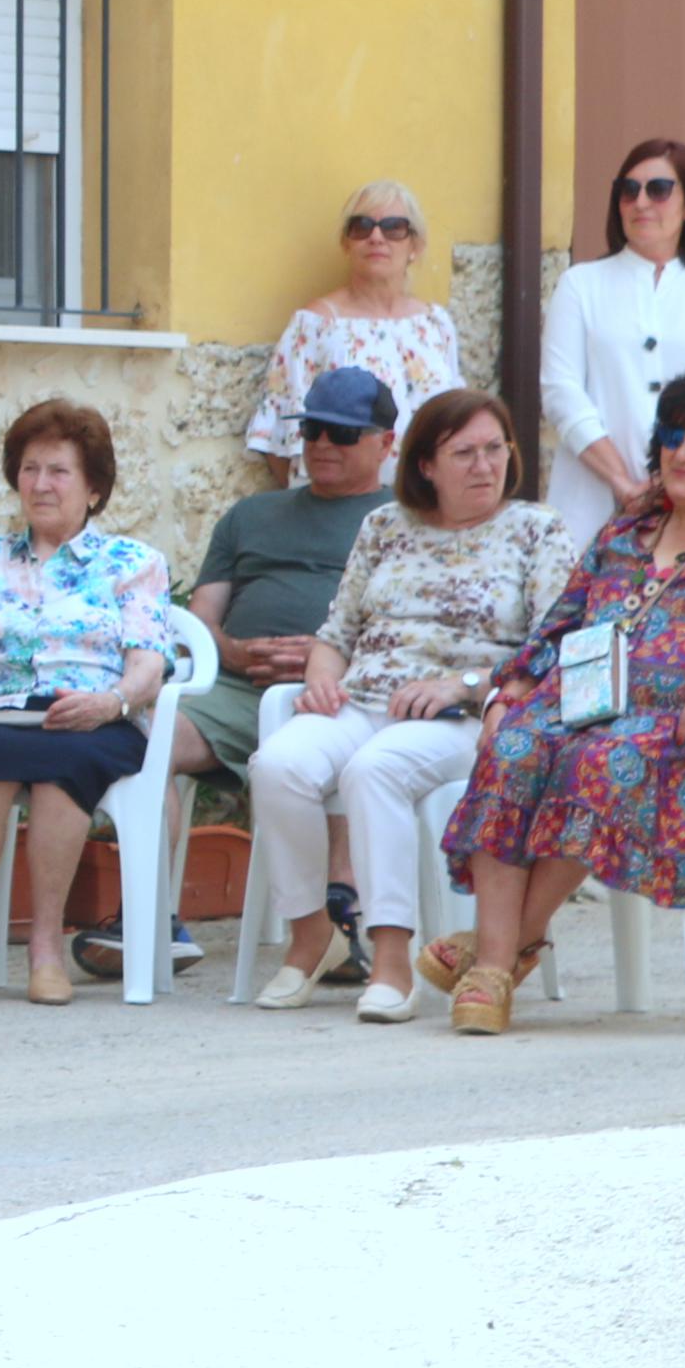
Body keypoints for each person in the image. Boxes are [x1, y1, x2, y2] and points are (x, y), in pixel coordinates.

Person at [434, 365, 685, 1034]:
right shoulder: (622, 537)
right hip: (583, 708)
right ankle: (502, 958)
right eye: (672, 436)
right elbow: (554, 628)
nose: (680, 452)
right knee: (511, 745)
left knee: (592, 758)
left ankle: (490, 963)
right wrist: (509, 690)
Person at [244, 389, 576, 1020]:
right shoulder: (384, 526)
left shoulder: (538, 529)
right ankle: (310, 934)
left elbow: (552, 645)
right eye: (464, 453)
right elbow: (338, 632)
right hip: (364, 699)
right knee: (278, 765)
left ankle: (390, 956)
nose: (484, 466)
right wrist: (320, 677)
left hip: (467, 716)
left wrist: (469, 686)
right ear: (426, 464)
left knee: (376, 771)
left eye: (494, 450)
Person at [0, 399, 172, 1007]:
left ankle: (46, 948)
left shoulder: (132, 563)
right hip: (2, 715)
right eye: (29, 469)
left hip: (96, 719)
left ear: (94, 489)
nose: (40, 484)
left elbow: (150, 662)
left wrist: (111, 702)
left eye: (58, 471)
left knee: (63, 765)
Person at [146, 366, 402, 984]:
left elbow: (411, 623)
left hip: (345, 687)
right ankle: (148, 917)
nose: (320, 445)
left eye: (342, 434)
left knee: (344, 742)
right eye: (312, 429)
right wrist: (231, 652)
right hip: (236, 689)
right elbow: (200, 616)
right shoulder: (251, 515)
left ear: (385, 444)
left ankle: (341, 909)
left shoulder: (403, 518)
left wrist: (328, 654)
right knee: (146, 739)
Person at [541, 136, 685, 544]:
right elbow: (560, 391)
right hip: (590, 506)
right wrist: (624, 481)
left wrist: (683, 478)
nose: (641, 202)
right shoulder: (579, 286)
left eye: (658, 190)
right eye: (628, 191)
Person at [242, 179, 462, 464]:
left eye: (394, 227)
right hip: (346, 500)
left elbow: (458, 419)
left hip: (431, 499)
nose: (377, 237)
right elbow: (281, 437)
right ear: (346, 242)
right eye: (362, 226)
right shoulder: (316, 326)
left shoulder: (435, 325)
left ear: (415, 245)